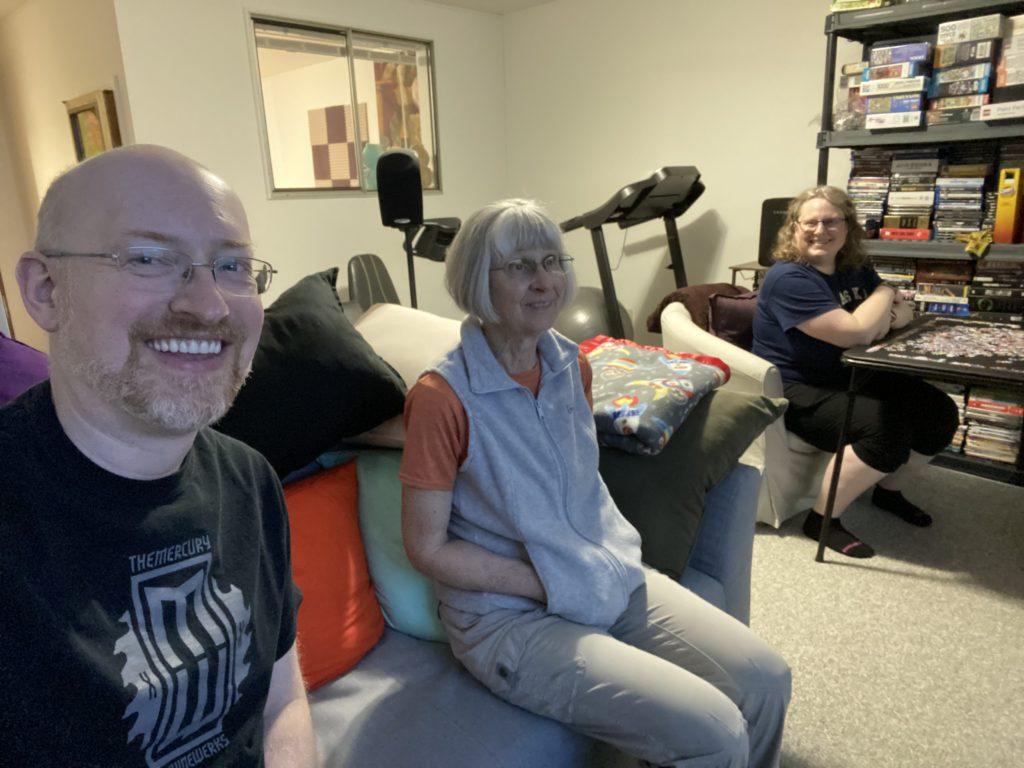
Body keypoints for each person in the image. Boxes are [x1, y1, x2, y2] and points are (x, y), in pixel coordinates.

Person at [399, 198, 791, 768]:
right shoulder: (441, 397)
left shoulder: (571, 364)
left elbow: (579, 490)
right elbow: (426, 548)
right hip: (508, 620)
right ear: (478, 280)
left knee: (766, 680)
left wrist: (594, 566)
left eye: (552, 261)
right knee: (715, 733)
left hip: (601, 575)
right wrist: (550, 581)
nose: (544, 281)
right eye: (520, 267)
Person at [0, 145, 317, 766]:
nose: (209, 306)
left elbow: (280, 701)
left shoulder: (248, 478)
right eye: (149, 258)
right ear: (45, 290)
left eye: (233, 266)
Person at [752, 185, 960, 558]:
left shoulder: (853, 267)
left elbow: (901, 318)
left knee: (940, 411)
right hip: (798, 388)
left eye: (831, 221)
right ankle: (822, 520)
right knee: (885, 427)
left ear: (847, 227)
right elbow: (861, 331)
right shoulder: (788, 279)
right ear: (794, 228)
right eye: (810, 222)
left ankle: (888, 493)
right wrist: (883, 295)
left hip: (850, 372)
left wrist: (879, 315)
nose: (820, 230)